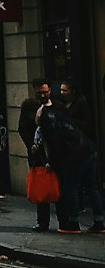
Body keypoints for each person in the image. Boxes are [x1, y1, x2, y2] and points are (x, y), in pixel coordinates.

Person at [38, 92, 104, 235]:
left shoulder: (49, 124)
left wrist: (51, 162)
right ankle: (99, 222)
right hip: (89, 150)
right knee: (92, 188)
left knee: (70, 189)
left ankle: (72, 224)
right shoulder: (60, 117)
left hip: (76, 156)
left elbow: (56, 145)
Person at [18, 78, 53, 231]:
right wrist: (31, 145)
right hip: (38, 154)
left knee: (58, 185)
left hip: (54, 152)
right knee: (41, 187)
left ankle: (66, 221)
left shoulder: (54, 106)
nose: (43, 95)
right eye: (39, 92)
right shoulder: (29, 106)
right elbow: (22, 129)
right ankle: (43, 221)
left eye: (45, 92)